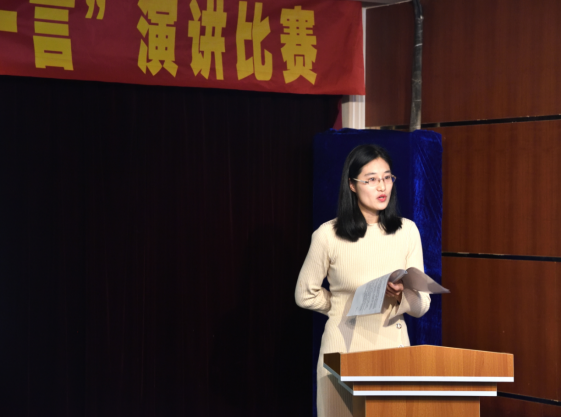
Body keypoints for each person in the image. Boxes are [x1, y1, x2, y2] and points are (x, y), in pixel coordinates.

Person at [295, 144, 431, 417]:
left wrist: (400, 295)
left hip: (393, 352)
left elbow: (422, 305)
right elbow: (305, 294)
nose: (382, 186)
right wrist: (343, 305)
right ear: (352, 185)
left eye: (387, 177)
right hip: (341, 352)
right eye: (371, 179)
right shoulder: (327, 235)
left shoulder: (407, 231)